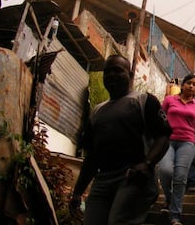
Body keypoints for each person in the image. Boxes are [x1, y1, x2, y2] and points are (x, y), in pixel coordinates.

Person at [68, 55, 172, 225]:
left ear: (130, 75)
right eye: (107, 72)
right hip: (103, 180)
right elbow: (92, 156)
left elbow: (164, 136)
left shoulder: (144, 101)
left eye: (117, 70)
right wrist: (78, 192)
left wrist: (147, 164)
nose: (111, 75)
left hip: (132, 177)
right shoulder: (97, 112)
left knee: (119, 220)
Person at [158, 74, 195, 225]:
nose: (192, 86)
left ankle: (175, 215)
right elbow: (160, 119)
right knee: (165, 171)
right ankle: (168, 198)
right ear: (182, 85)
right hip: (168, 141)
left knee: (181, 177)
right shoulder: (169, 100)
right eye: (189, 83)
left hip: (187, 144)